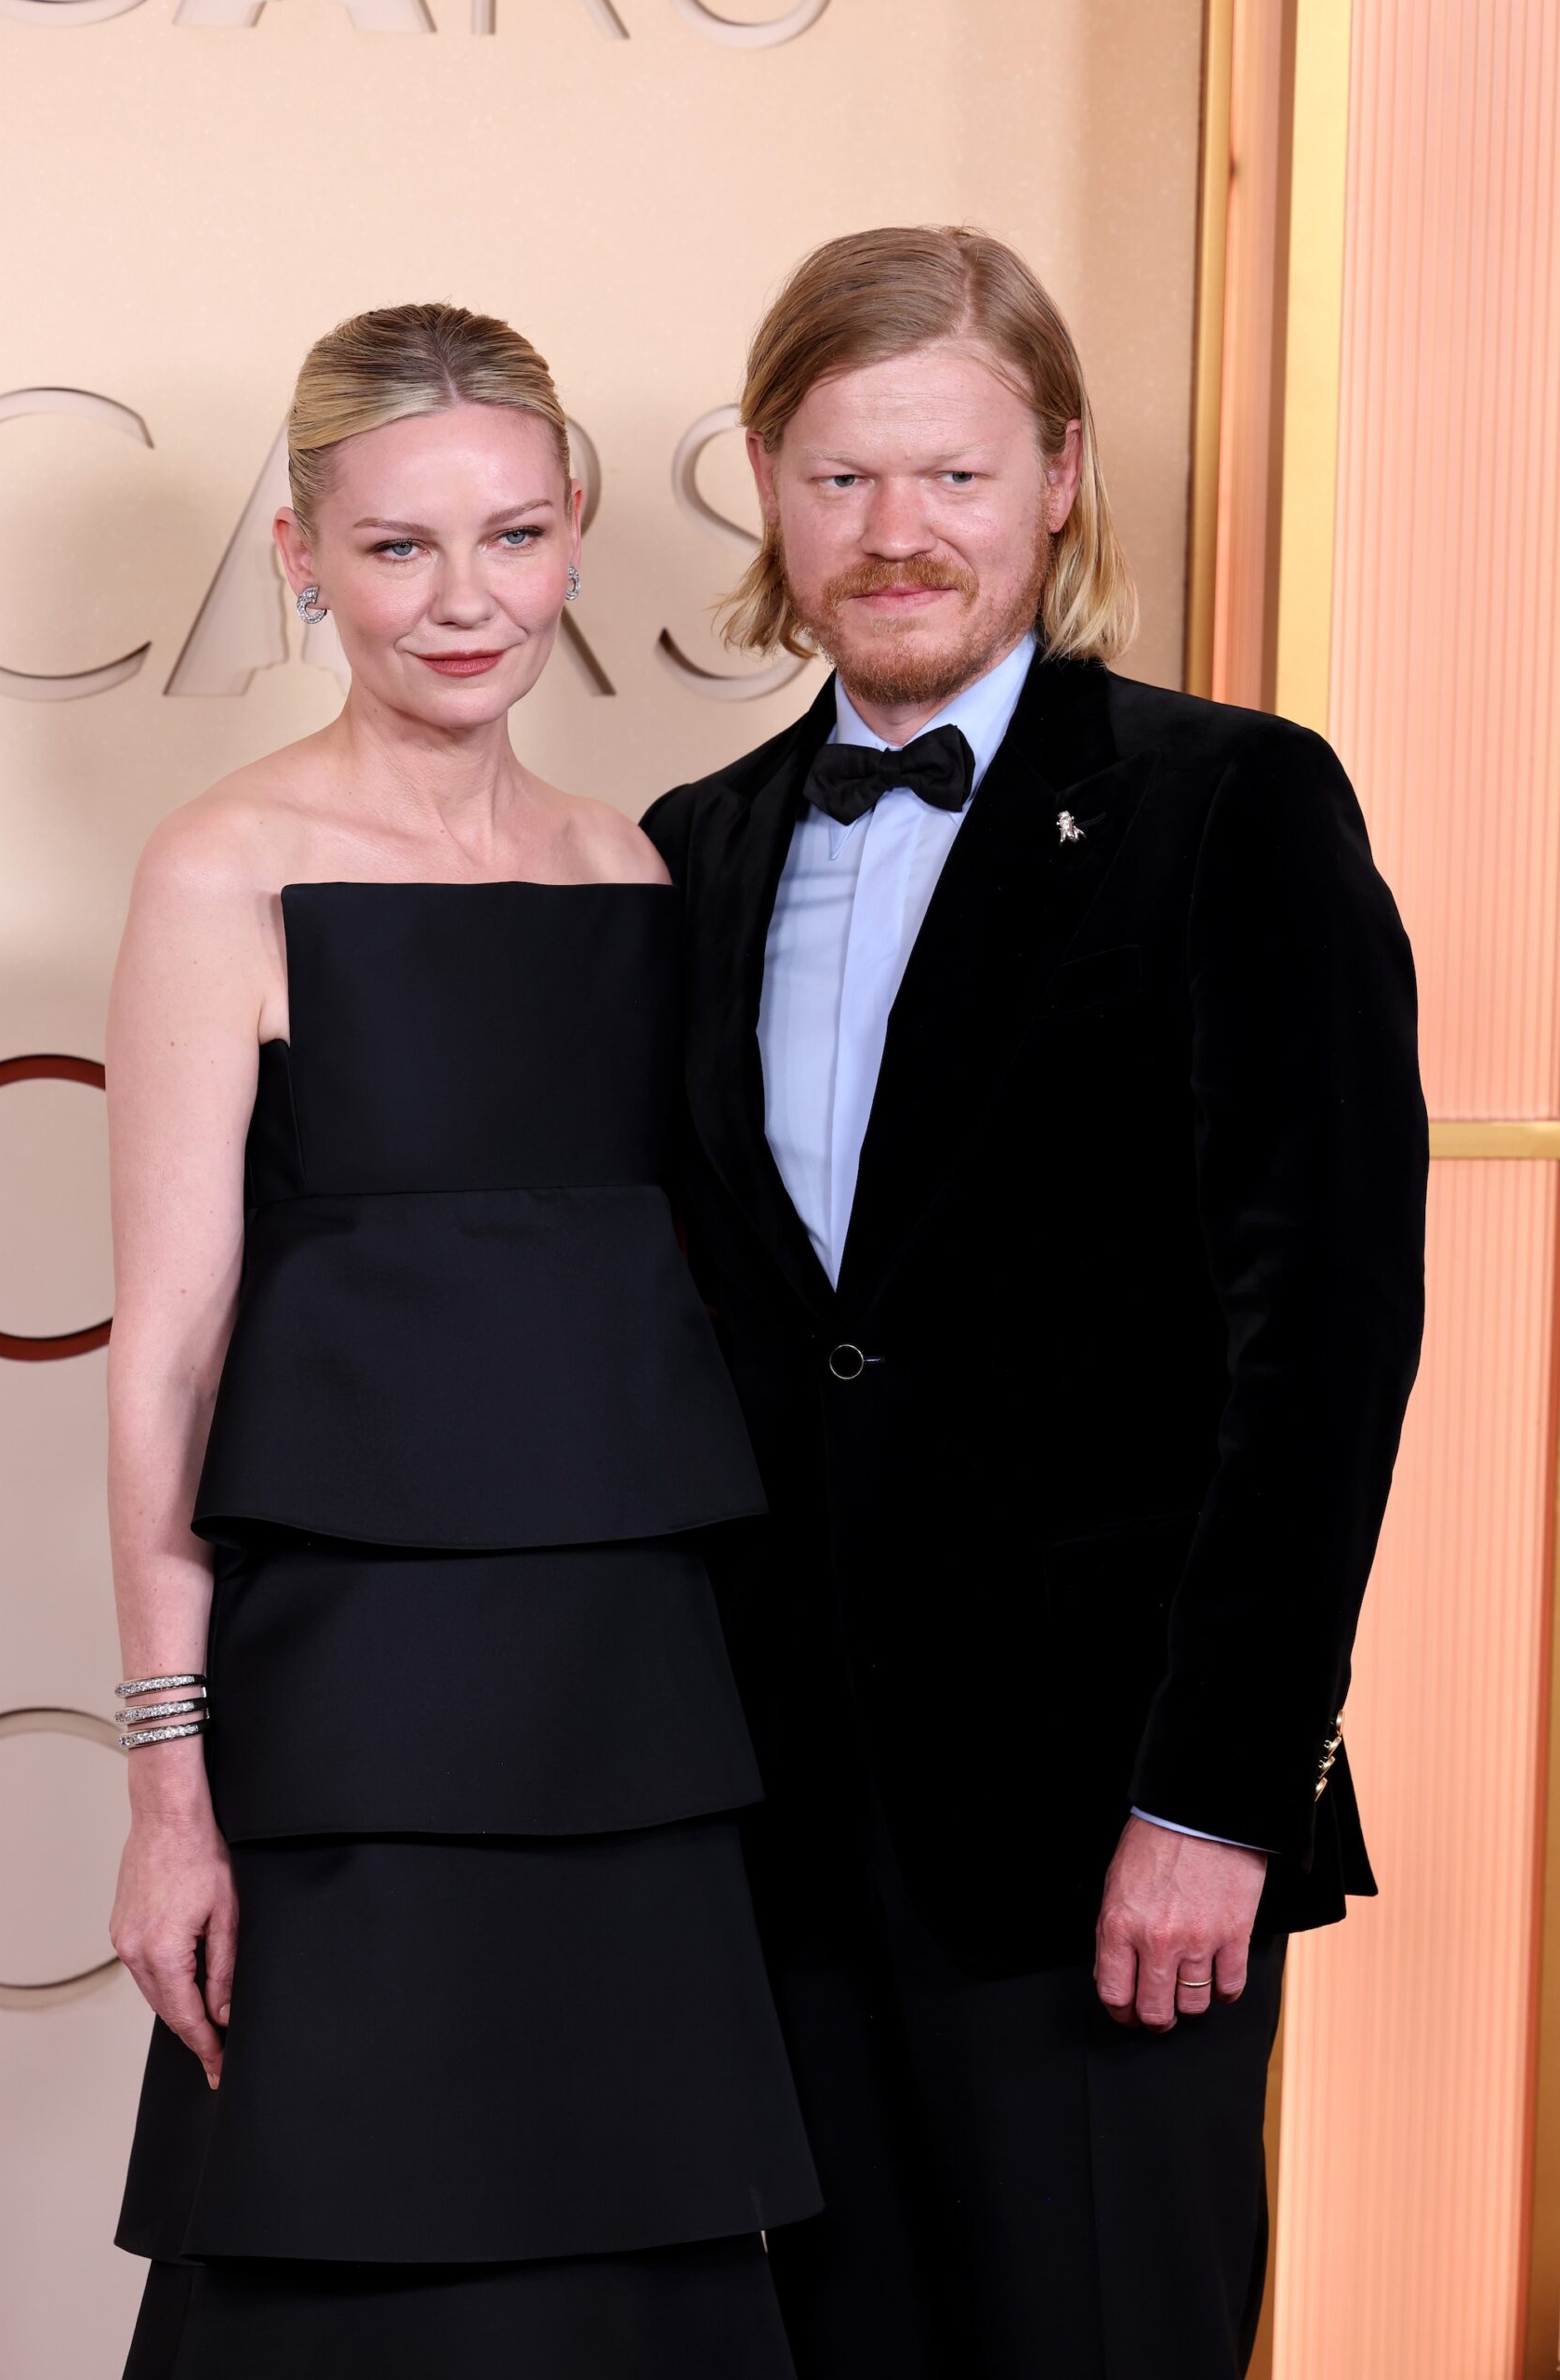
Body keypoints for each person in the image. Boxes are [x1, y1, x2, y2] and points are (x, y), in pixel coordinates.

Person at [642, 225, 1429, 2380]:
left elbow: (1325, 1342)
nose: (897, 535)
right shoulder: (686, 848)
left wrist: (1216, 1793)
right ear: (764, 482)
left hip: (1106, 1830)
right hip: (775, 1842)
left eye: (957, 477)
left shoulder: (1230, 803)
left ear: (1060, 475)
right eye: (840, 477)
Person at [105, 300, 817, 2380]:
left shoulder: (638, 868)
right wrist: (169, 1787)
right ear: (300, 557)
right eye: (400, 545)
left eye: (510, 536)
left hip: (627, 1716)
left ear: (577, 536)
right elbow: (164, 1349)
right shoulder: (221, 869)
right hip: (349, 1731)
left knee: (640, 2259)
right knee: (338, 2263)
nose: (464, 598)